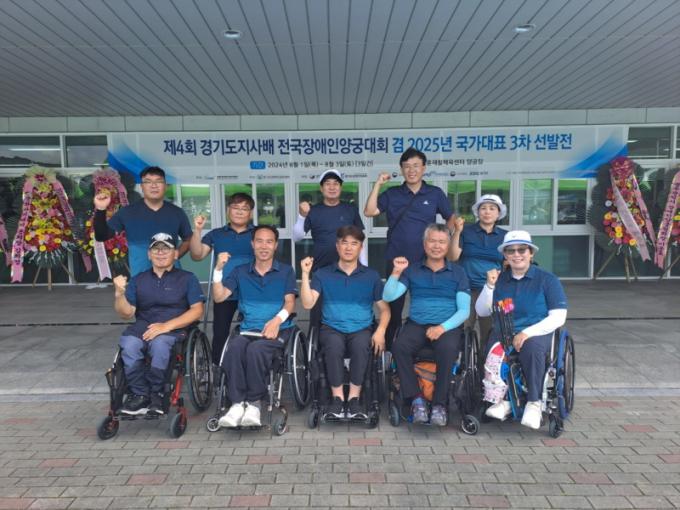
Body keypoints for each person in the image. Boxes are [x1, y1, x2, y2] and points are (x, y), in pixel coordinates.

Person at [364, 148, 456, 346]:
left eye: (416, 166)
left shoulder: (434, 193)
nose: (411, 170)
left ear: (424, 168)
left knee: (424, 307)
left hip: (426, 262)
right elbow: (369, 211)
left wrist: (444, 239)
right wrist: (378, 184)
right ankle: (390, 351)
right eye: (406, 166)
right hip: (397, 261)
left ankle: (425, 349)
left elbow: (450, 217)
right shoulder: (393, 194)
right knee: (393, 309)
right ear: (401, 169)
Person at [476, 230, 568, 430]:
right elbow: (482, 311)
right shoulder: (499, 279)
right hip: (503, 331)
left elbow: (559, 316)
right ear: (505, 255)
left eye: (522, 250)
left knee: (531, 350)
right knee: (495, 353)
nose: (517, 254)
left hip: (535, 332)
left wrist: (526, 333)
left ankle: (534, 402)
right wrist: (489, 286)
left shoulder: (547, 279)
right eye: (511, 251)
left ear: (531, 253)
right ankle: (504, 400)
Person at [382, 224, 471, 427]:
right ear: (424, 244)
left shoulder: (458, 272)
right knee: (399, 347)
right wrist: (396, 272)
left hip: (447, 326)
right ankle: (416, 400)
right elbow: (388, 296)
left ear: (448, 245)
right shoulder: (412, 270)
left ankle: (440, 404)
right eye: (432, 241)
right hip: (417, 324)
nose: (436, 246)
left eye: (441, 242)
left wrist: (442, 328)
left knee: (447, 350)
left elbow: (464, 311)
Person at [299, 225, 389, 420]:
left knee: (361, 346)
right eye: (344, 243)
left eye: (354, 243)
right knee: (333, 346)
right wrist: (305, 275)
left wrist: (381, 330)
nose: (348, 247)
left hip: (362, 327)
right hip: (332, 327)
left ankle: (354, 399)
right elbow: (307, 303)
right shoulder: (322, 274)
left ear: (361, 247)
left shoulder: (371, 276)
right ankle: (337, 399)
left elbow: (385, 309)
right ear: (337, 246)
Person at [211, 225, 297, 428]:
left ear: (275, 245)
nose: (264, 246)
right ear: (252, 244)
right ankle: (237, 404)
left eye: (269, 241)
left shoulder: (286, 271)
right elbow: (219, 297)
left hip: (278, 328)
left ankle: (254, 403)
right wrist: (218, 270)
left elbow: (290, 303)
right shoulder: (240, 271)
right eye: (259, 241)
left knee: (255, 350)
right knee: (235, 348)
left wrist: (276, 321)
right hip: (248, 328)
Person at [113, 232, 205, 416]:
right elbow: (126, 313)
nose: (160, 253)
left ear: (176, 254)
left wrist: (166, 326)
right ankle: (140, 394)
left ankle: (157, 393)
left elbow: (197, 310)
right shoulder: (138, 280)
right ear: (149, 254)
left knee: (160, 343)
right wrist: (119, 294)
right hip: (144, 325)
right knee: (129, 344)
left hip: (174, 327)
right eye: (156, 249)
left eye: (166, 249)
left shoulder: (187, 278)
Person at [294, 169, 367, 333]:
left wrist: (364, 266)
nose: (332, 187)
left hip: (348, 269)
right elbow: (297, 236)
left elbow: (360, 239)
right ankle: (316, 343)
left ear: (341, 187)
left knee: (346, 307)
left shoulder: (350, 209)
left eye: (336, 184)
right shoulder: (314, 211)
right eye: (327, 184)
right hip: (321, 268)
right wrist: (302, 216)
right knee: (317, 309)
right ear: (321, 188)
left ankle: (346, 339)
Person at [189, 193, 255, 364]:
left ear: (251, 213)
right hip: (224, 291)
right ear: (228, 210)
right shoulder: (216, 234)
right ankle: (217, 366)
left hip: (253, 292)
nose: (239, 211)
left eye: (244, 208)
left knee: (253, 330)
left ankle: (250, 363)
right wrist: (197, 230)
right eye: (235, 207)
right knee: (220, 332)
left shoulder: (258, 234)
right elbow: (197, 255)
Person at [94, 166, 192, 277]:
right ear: (142, 186)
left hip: (173, 279)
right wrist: (101, 209)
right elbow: (101, 236)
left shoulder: (177, 212)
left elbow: (188, 239)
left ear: (165, 186)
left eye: (158, 181)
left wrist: (176, 254)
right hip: (140, 279)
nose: (154, 185)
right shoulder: (128, 212)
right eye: (148, 182)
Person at [449, 194, 507, 350]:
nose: (487, 212)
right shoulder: (466, 231)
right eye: (483, 208)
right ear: (477, 212)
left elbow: (507, 263)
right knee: (463, 328)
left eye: (492, 208)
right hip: (466, 288)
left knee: (488, 332)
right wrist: (457, 231)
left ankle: (484, 363)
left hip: (490, 289)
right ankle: (461, 361)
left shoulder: (504, 236)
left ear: (499, 213)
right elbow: (453, 257)